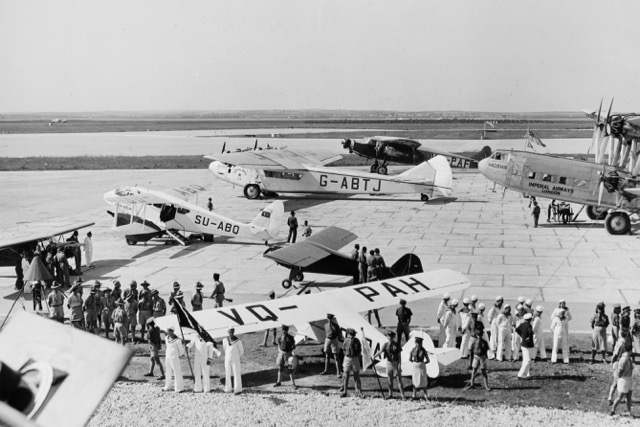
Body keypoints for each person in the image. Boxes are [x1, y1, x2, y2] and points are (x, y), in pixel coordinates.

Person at [373, 331, 405, 400]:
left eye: (391, 336)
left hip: (396, 362)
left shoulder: (397, 345)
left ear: (393, 337)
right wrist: (374, 356)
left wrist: (399, 366)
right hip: (388, 362)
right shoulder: (385, 344)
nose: (389, 337)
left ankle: (403, 396)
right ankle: (390, 394)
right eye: (388, 336)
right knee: (389, 379)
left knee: (399, 379)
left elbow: (399, 357)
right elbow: (380, 351)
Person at [610, 344, 634, 417]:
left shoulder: (628, 358)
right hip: (623, 379)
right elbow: (620, 370)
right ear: (630, 350)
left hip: (629, 379)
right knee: (620, 397)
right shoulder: (623, 359)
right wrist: (619, 379)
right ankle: (612, 410)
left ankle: (629, 412)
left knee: (629, 396)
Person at [465, 324, 491, 391]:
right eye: (478, 335)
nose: (479, 336)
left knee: (483, 371)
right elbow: (471, 350)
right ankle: (472, 385)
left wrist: (485, 357)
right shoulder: (474, 342)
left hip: (482, 357)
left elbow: (486, 350)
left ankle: (486, 386)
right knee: (474, 371)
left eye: (480, 335)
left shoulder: (484, 342)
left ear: (482, 335)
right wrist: (471, 360)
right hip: (476, 357)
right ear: (476, 335)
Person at [607, 330, 628, 405]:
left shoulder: (620, 343)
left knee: (616, 382)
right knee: (621, 381)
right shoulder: (624, 343)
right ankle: (612, 398)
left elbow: (615, 354)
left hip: (618, 363)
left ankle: (611, 397)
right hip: (621, 363)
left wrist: (612, 362)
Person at [340, 328, 362, 398]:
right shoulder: (345, 341)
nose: (352, 336)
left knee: (356, 375)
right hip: (347, 358)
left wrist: (356, 357)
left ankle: (358, 391)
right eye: (351, 335)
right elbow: (343, 349)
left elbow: (359, 350)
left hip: (355, 358)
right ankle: (345, 391)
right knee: (346, 375)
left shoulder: (357, 341)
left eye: (353, 335)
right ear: (348, 334)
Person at [163, 326, 186, 393]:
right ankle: (168, 386)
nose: (167, 332)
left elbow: (181, 351)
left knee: (177, 372)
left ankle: (179, 387)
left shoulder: (178, 340)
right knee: (168, 372)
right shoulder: (166, 338)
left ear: (172, 331)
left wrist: (182, 349)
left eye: (168, 331)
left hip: (175, 357)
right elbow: (166, 347)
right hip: (167, 357)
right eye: (167, 331)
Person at [223, 328, 244, 395]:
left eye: (232, 332)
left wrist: (236, 357)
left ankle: (237, 390)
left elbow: (241, 351)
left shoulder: (238, 341)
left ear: (233, 332)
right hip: (227, 359)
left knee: (236, 373)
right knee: (227, 373)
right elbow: (225, 349)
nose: (230, 333)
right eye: (229, 332)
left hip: (235, 360)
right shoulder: (225, 340)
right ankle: (227, 389)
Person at [409, 336, 429, 401]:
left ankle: (425, 395)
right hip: (415, 365)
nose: (419, 344)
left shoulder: (423, 350)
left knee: (423, 380)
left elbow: (428, 360)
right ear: (415, 343)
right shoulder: (413, 350)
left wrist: (422, 364)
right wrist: (415, 363)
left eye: (420, 343)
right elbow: (409, 359)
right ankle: (414, 395)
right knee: (415, 380)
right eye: (417, 343)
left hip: (422, 365)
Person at [516, 313, 535, 379]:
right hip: (527, 345)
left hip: (523, 344)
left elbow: (517, 330)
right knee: (527, 361)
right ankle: (521, 374)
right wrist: (528, 337)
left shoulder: (522, 324)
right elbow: (530, 332)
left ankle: (527, 373)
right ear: (530, 319)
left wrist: (522, 336)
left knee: (525, 360)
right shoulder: (529, 326)